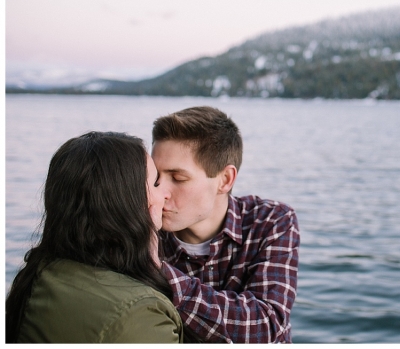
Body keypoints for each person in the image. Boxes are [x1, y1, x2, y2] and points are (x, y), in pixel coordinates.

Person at [5, 132, 183, 343]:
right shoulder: (140, 312)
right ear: (128, 203)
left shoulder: (38, 274)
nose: (164, 194)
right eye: (155, 184)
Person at [152, 106, 300, 343]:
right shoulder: (144, 230)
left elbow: (265, 325)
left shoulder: (271, 221)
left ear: (225, 180)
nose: (160, 192)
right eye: (156, 178)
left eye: (178, 178)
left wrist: (158, 271)